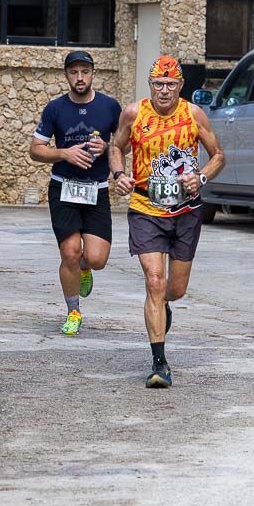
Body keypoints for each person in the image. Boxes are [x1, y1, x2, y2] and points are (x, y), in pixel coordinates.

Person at [110, 55, 224, 388]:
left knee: (175, 289)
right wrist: (118, 174)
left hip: (186, 211)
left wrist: (200, 178)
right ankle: (159, 363)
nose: (163, 91)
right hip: (145, 207)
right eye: (158, 84)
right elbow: (115, 147)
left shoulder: (193, 114)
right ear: (150, 85)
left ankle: (163, 309)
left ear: (180, 85)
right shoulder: (134, 113)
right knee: (154, 281)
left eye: (170, 84)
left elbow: (219, 155)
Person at [30, 51, 123, 336]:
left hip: (97, 190)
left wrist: (107, 148)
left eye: (84, 71)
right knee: (70, 252)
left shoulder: (110, 107)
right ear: (66, 75)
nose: (79, 78)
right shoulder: (55, 109)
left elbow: (124, 145)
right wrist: (63, 153)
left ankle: (85, 268)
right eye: (73, 72)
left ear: (93, 73)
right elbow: (35, 149)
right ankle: (73, 311)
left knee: (96, 259)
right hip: (64, 188)